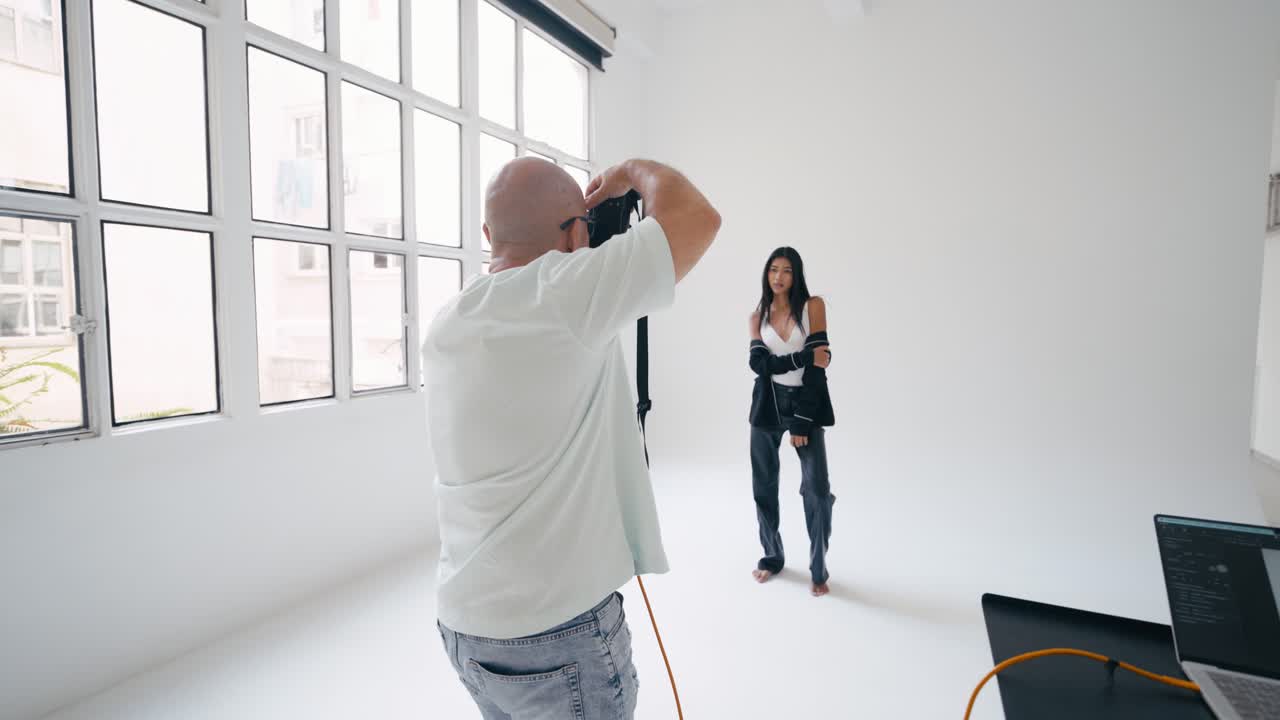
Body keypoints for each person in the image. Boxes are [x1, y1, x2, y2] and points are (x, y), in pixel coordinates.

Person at [423, 157, 720, 719]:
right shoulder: (566, 293)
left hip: (465, 626)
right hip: (556, 630)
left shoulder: (447, 323)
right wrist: (634, 171)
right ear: (578, 233)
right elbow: (697, 218)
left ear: (488, 235)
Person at [747, 247, 837, 597]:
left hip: (806, 405)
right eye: (773, 270)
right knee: (764, 487)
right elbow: (759, 366)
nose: (779, 277)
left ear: (796, 274)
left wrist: (801, 422)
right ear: (767, 274)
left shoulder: (812, 306)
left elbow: (820, 368)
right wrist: (803, 356)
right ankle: (772, 557)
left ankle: (818, 568)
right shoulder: (758, 316)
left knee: (817, 490)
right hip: (766, 407)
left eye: (787, 270)